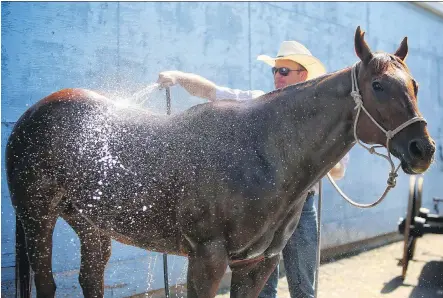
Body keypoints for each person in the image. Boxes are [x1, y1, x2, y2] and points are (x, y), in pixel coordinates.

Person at [157, 40, 350, 298]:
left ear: (302, 75)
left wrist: (313, 159)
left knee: (303, 283)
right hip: (263, 209)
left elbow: (338, 171)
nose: (276, 77)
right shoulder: (259, 101)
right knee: (260, 288)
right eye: (274, 70)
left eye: (283, 71)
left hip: (301, 209)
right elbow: (214, 92)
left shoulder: (319, 117)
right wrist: (178, 77)